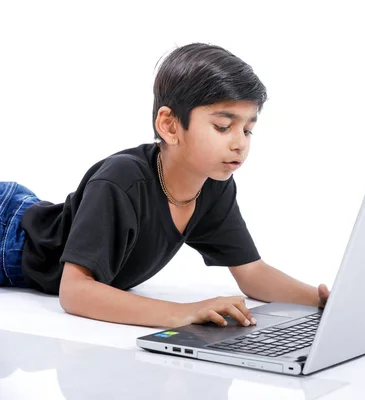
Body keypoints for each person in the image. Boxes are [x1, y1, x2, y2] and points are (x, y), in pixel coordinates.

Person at [0, 42, 329, 329]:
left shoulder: (214, 185)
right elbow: (75, 292)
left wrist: (323, 301)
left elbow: (253, 274)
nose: (239, 144)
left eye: (248, 130)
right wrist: (183, 313)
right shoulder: (121, 181)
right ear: (170, 126)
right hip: (7, 228)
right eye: (223, 126)